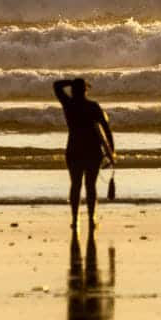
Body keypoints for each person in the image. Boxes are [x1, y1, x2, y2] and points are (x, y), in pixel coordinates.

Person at [54, 78, 115, 230]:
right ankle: (92, 219)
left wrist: (71, 82)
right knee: (90, 186)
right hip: (92, 150)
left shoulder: (69, 105)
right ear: (85, 90)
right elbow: (106, 129)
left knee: (75, 185)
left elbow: (56, 86)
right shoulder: (93, 106)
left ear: (73, 90)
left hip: (74, 149)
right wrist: (111, 151)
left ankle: (75, 220)